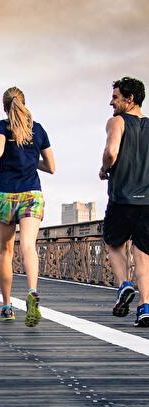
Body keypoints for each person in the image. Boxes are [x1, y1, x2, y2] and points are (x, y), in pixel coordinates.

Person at [0, 86, 55, 326]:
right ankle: (31, 291)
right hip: (31, 193)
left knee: (6, 251)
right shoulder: (38, 129)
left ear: (4, 106)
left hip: (5, 194)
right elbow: (51, 167)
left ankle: (7, 306)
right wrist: (31, 161)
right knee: (28, 246)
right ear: (23, 102)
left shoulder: (0, 125)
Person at [99, 76, 149, 327]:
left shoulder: (117, 122)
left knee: (113, 242)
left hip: (122, 197)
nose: (111, 102)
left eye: (116, 97)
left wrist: (104, 168)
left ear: (130, 100)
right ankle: (145, 308)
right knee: (142, 254)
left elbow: (111, 152)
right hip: (148, 201)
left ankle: (124, 285)